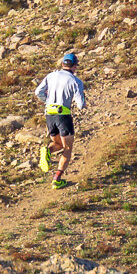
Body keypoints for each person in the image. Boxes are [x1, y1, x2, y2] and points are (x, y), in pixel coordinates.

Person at [37, 50, 85, 188]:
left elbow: (37, 92)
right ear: (75, 66)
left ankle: (47, 151)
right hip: (63, 115)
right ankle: (57, 179)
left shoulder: (51, 76)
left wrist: (47, 101)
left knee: (57, 144)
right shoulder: (76, 81)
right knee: (68, 148)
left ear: (63, 64)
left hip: (49, 114)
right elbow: (80, 105)